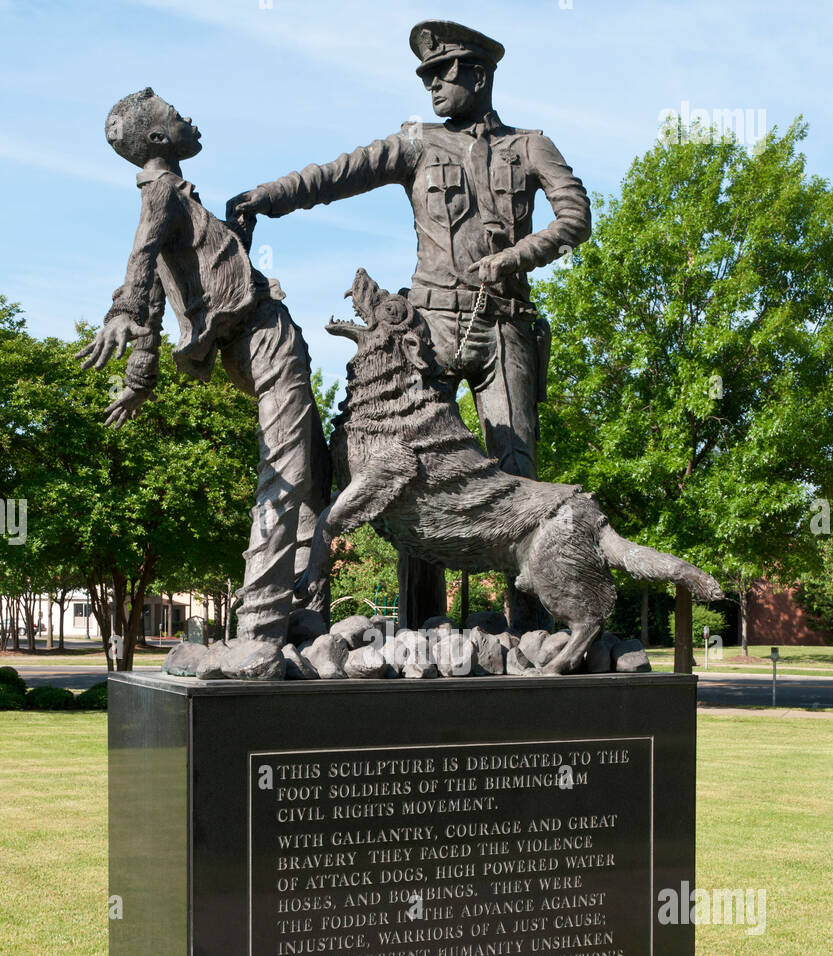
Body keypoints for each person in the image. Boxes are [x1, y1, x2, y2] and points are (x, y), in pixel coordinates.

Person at [227, 19, 591, 628]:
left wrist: (512, 258)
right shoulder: (417, 142)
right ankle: (423, 621)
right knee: (412, 470)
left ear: (479, 74)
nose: (432, 88)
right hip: (426, 331)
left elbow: (575, 218)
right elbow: (340, 173)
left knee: (515, 469)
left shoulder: (530, 145)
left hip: (504, 326)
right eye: (426, 77)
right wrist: (268, 196)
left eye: (443, 74)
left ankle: (526, 624)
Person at [78, 88, 330, 674]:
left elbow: (172, 289)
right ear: (160, 140)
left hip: (257, 339)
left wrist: (142, 371)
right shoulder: (162, 191)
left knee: (314, 475)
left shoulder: (178, 200)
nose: (187, 116)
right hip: (260, 337)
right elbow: (141, 263)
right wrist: (122, 311)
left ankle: (305, 611)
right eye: (175, 113)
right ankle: (262, 627)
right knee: (289, 473)